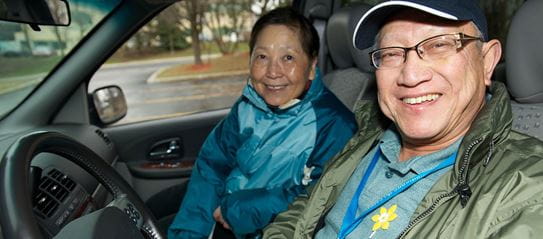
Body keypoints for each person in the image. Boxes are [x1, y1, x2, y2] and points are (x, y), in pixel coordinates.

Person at [263, 0, 543, 238]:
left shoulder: (529, 186)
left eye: (439, 45)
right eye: (392, 53)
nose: (410, 75)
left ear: (487, 61)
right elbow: (306, 208)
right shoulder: (367, 135)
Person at [168, 7, 358, 239]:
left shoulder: (334, 125)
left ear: (311, 67)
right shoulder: (248, 105)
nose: (272, 72)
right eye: (262, 57)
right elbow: (212, 166)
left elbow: (319, 198)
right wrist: (191, 232)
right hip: (220, 218)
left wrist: (238, 210)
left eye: (288, 57)